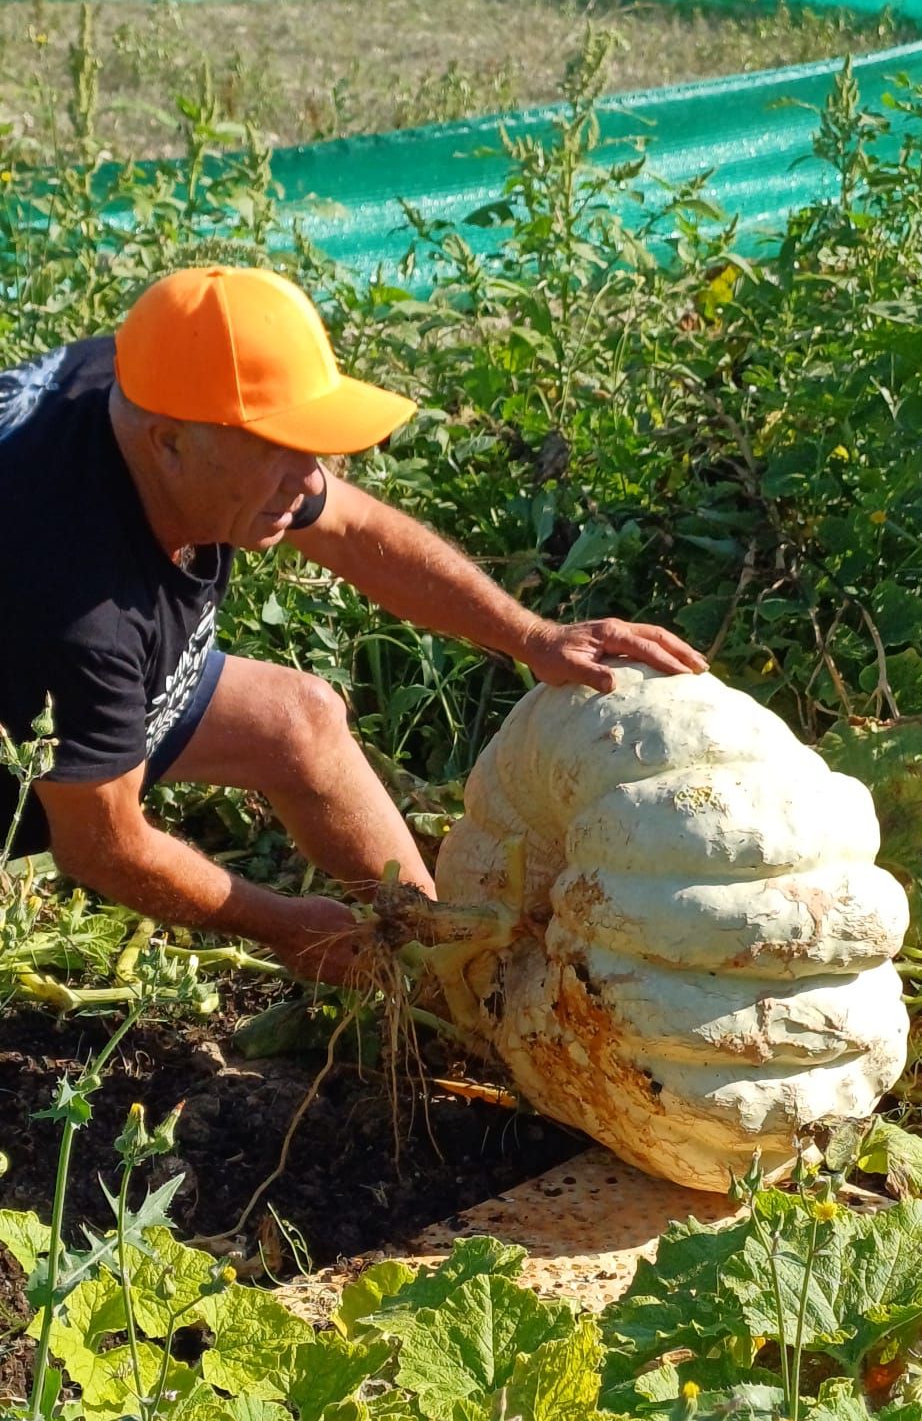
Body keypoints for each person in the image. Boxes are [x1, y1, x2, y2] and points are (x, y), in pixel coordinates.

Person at [0, 265, 705, 983]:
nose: (310, 480)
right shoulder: (69, 603)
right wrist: (284, 926)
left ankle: (447, 965)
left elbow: (350, 527)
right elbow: (100, 846)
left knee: (299, 720)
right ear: (169, 443)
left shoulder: (160, 374)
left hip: (65, 653)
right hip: (31, 668)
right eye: (280, 451)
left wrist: (531, 637)